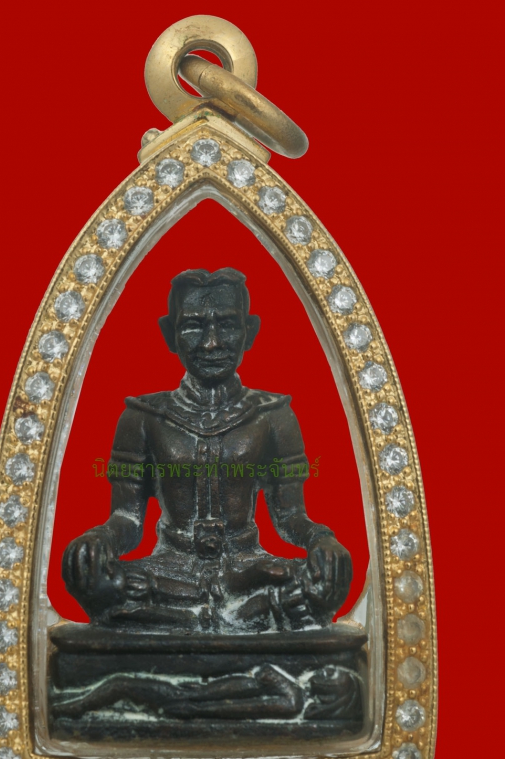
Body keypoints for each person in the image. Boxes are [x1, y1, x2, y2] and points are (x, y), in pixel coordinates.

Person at [62, 268, 352, 632]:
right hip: (170, 568)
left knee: (328, 579)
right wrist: (99, 540)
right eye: (193, 326)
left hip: (249, 567)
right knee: (86, 575)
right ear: (169, 333)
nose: (211, 343)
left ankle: (190, 618)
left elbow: (290, 515)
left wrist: (321, 540)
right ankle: (239, 616)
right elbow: (127, 519)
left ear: (250, 331)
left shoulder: (273, 415)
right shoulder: (143, 417)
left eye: (227, 325)